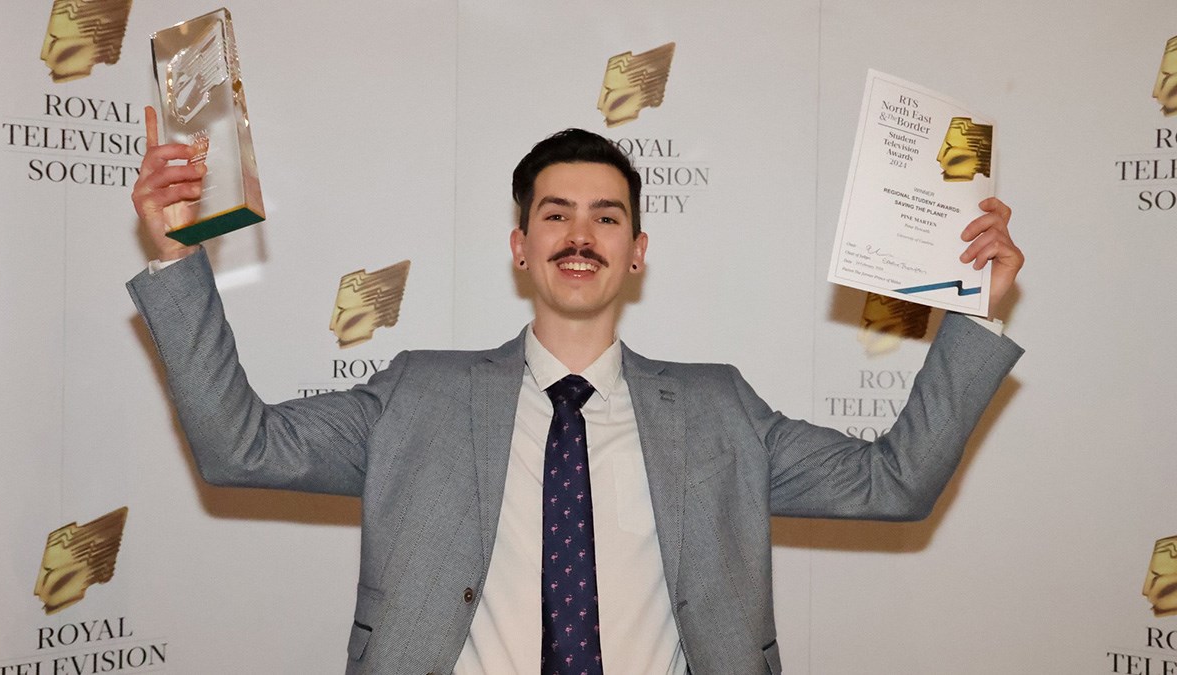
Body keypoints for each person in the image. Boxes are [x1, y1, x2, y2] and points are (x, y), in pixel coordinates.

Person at [129, 108, 1024, 674]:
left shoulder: (720, 410)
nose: (580, 233)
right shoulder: (417, 395)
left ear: (638, 252)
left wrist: (974, 316)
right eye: (553, 213)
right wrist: (176, 256)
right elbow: (238, 445)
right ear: (520, 246)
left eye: (607, 216)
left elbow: (893, 483)